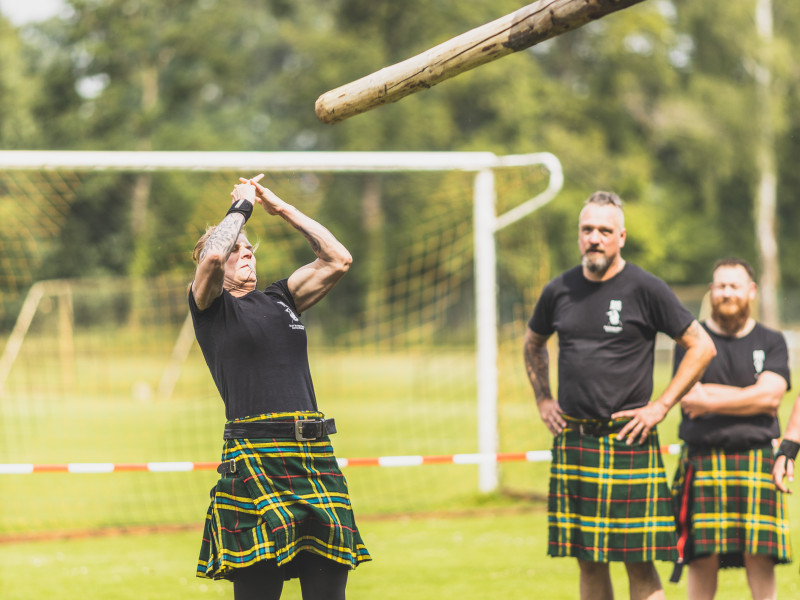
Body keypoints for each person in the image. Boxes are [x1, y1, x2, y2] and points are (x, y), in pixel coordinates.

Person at [523, 191, 716, 600]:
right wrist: (543, 398)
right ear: (579, 235)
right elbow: (533, 343)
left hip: (629, 440)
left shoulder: (645, 288)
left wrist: (661, 405)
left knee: (639, 561)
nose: (595, 238)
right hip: (576, 440)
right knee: (588, 561)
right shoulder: (559, 290)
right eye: (587, 230)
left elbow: (701, 347)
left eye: (604, 231)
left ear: (621, 237)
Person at [190, 174, 370, 600]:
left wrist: (281, 208)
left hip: (311, 455)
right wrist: (240, 207)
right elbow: (212, 258)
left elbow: (339, 259)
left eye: (249, 247)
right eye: (236, 248)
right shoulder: (211, 308)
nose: (245, 251)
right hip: (256, 454)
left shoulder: (280, 298)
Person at [671, 258, 791, 600]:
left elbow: (771, 397)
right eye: (720, 286)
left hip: (756, 459)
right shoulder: (691, 341)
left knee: (760, 556)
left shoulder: (771, 340)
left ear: (751, 291)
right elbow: (690, 398)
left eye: (734, 286)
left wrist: (711, 399)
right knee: (701, 557)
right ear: (711, 291)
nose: (727, 293)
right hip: (703, 458)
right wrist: (751, 397)